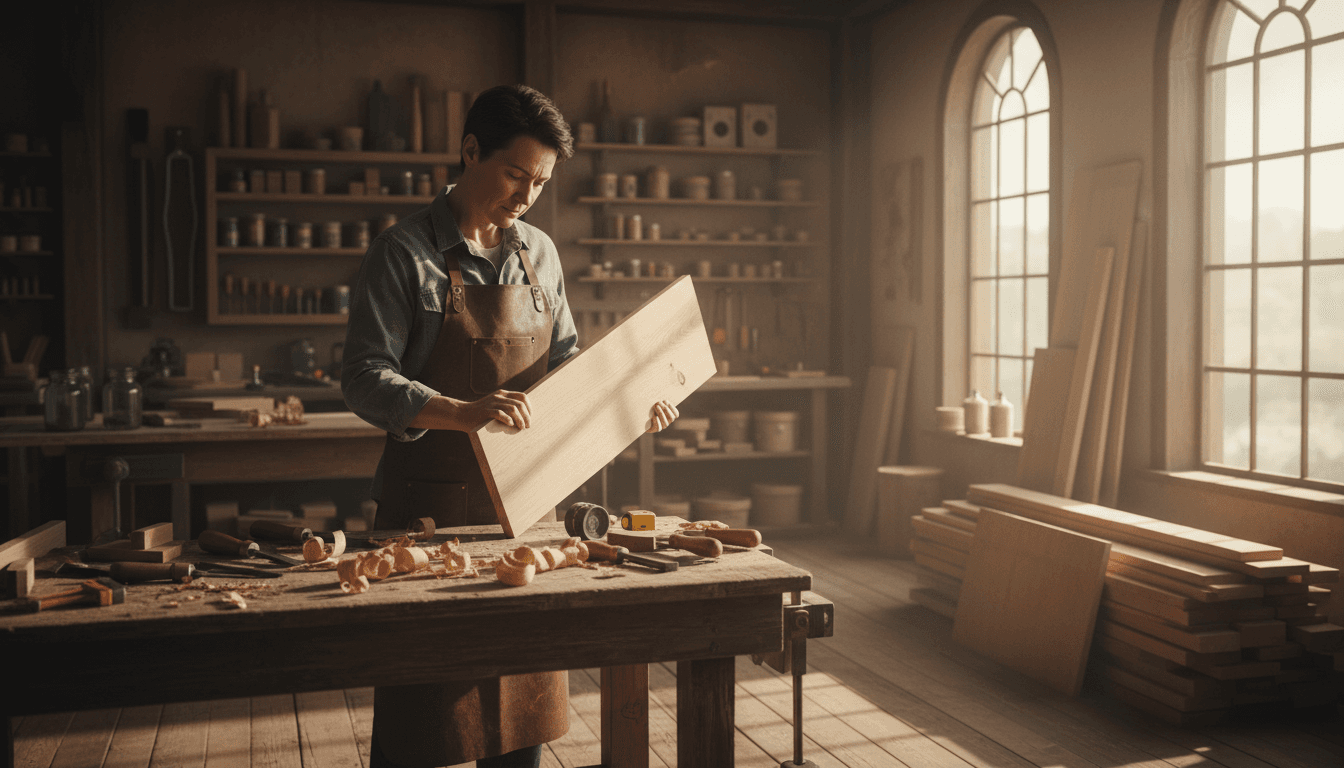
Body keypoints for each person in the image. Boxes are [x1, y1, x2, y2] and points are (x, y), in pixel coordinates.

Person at [342, 84, 677, 768]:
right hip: (424, 522)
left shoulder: (541, 254)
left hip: (523, 517)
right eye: (516, 174)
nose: (527, 196)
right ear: (471, 151)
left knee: (518, 725)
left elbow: (567, 364)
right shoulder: (402, 253)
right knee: (421, 723)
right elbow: (364, 377)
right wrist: (461, 412)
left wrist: (628, 403)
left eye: (542, 183)